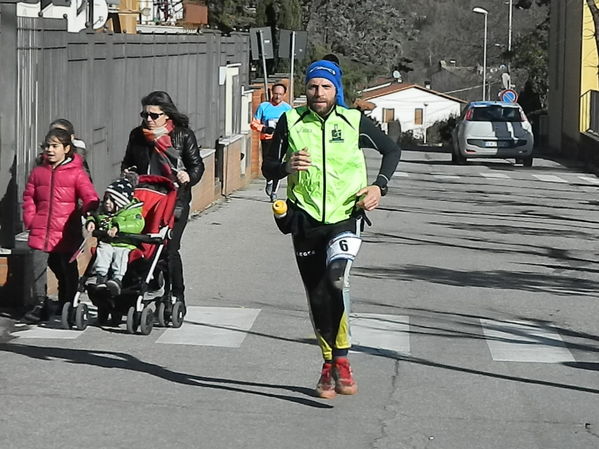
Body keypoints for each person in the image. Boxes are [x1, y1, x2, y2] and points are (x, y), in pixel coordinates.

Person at [262, 59, 401, 399]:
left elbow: (391, 149)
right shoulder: (290, 121)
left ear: (336, 90)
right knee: (317, 293)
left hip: (345, 215)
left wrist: (378, 187)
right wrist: (284, 166)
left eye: (325, 87)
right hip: (305, 218)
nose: (318, 93)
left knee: (336, 279)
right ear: (305, 90)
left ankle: (343, 359)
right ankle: (329, 364)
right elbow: (268, 167)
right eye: (312, 86)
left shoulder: (354, 121)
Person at [121, 91, 204, 313]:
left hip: (174, 201)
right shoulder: (137, 135)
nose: (148, 119)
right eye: (144, 114)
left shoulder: (183, 135)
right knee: (138, 244)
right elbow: (128, 162)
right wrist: (128, 173)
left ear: (166, 115)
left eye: (154, 115)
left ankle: (176, 294)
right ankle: (136, 290)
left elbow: (197, 166)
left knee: (169, 249)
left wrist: (189, 176)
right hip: (144, 199)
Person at [22, 128, 99, 323]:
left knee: (65, 267)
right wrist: (30, 219)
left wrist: (90, 214)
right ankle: (40, 304)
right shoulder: (39, 172)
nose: (50, 150)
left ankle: (68, 302)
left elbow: (90, 196)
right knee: (38, 266)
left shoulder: (77, 173)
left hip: (66, 231)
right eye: (47, 145)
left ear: (66, 148)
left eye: (55, 146)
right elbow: (29, 197)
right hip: (40, 229)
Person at [86, 173, 145, 296]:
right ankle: (101, 277)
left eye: (112, 200)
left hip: (125, 244)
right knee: (103, 250)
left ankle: (117, 279)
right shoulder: (103, 212)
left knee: (120, 256)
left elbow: (138, 225)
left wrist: (118, 227)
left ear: (121, 202)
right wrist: (91, 221)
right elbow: (95, 216)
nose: (107, 203)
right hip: (108, 242)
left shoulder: (132, 212)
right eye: (106, 198)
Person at [250, 83, 292, 202]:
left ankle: (274, 191)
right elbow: (254, 123)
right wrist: (263, 129)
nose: (277, 97)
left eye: (280, 94)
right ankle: (269, 180)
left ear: (284, 95)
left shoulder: (288, 109)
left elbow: (292, 126)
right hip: (267, 140)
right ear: (272, 93)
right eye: (275, 94)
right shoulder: (264, 107)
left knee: (277, 164)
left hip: (281, 141)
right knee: (267, 165)